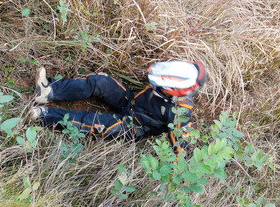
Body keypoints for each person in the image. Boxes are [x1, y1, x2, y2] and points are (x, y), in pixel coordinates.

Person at [29, 61, 208, 155]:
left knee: (93, 122)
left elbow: (181, 149)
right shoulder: (173, 74)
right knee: (100, 82)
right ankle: (47, 91)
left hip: (133, 127)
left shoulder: (181, 114)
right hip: (130, 101)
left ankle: (44, 116)